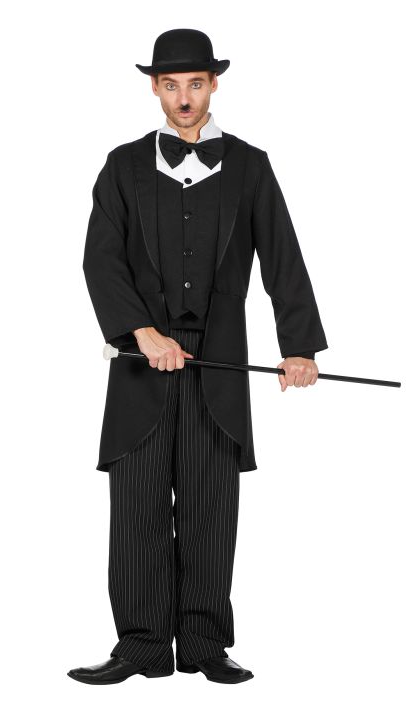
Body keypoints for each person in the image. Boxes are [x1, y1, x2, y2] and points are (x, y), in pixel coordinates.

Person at [67, 28, 328, 686]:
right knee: (137, 509)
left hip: (222, 365)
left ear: (213, 85)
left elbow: (284, 257)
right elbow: (101, 259)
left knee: (212, 509)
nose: (183, 98)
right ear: (155, 89)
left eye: (195, 84)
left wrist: (298, 347)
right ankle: (142, 647)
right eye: (171, 85)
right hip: (141, 366)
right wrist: (141, 333)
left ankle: (207, 645)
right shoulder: (123, 166)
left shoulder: (250, 166)